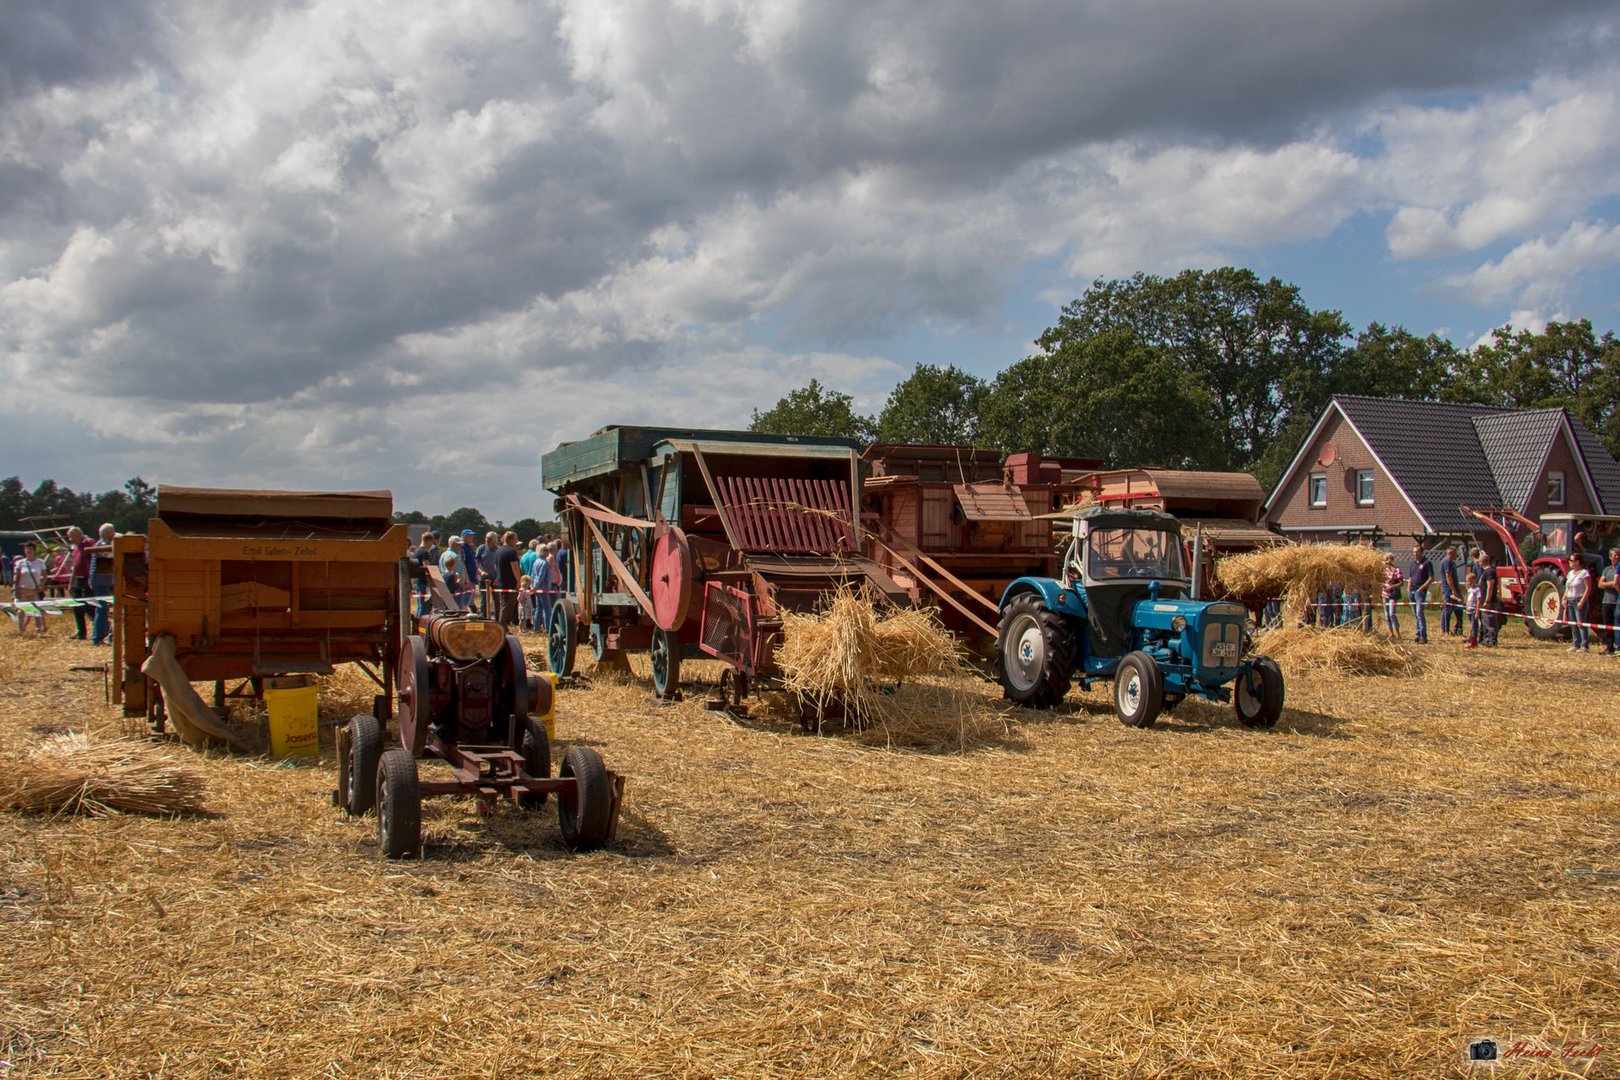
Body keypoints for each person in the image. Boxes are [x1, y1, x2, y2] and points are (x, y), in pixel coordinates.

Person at [64, 526, 96, 640]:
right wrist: (70, 583)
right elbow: (74, 567)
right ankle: (81, 632)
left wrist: (91, 579)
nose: (70, 540)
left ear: (77, 534)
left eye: (71, 537)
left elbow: (93, 561)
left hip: (87, 579)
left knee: (88, 605)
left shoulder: (89, 543)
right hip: (77, 580)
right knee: (76, 606)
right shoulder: (76, 548)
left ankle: (100, 628)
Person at [11, 540, 48, 636]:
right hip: (22, 589)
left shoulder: (40, 562)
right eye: (27, 549)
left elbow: (45, 576)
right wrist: (16, 590)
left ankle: (38, 630)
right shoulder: (20, 563)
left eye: (31, 549)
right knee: (21, 611)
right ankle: (21, 629)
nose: (29, 551)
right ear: (24, 551)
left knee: (36, 610)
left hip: (35, 590)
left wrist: (41, 586)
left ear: (34, 551)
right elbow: (17, 577)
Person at [88, 523, 116, 645]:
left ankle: (100, 635)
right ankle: (97, 638)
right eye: (112, 532)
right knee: (102, 608)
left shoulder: (103, 544)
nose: (114, 534)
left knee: (103, 609)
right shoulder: (103, 545)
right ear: (105, 533)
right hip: (101, 581)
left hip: (103, 580)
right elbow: (112, 556)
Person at [493, 531, 522, 628]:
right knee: (507, 606)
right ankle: (501, 627)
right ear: (511, 539)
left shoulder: (498, 551)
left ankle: (504, 627)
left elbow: (495, 566)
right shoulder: (511, 551)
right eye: (515, 540)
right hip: (510, 582)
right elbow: (515, 567)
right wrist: (518, 580)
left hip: (501, 581)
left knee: (504, 605)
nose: (516, 542)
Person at [1565, 558, 1593, 652]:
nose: (1569, 562)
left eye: (1571, 560)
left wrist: (1582, 601)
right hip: (1570, 601)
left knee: (1581, 623)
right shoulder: (1570, 573)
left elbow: (1588, 588)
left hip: (1578, 600)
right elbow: (1567, 587)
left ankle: (1584, 646)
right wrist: (1564, 598)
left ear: (1577, 562)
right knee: (1573, 624)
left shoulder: (1584, 573)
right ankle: (1576, 644)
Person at [1408, 542, 1433, 644]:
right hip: (1412, 591)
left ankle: (1423, 635)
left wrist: (1422, 588)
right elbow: (1410, 577)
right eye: (1414, 552)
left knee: (1419, 613)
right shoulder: (1412, 564)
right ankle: (1418, 634)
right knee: (1415, 614)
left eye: (1417, 552)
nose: (1415, 554)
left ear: (1422, 552)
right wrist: (1408, 588)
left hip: (1420, 592)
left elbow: (1431, 578)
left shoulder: (1427, 563)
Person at [1438, 545, 1462, 637]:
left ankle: (1447, 628)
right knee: (1447, 609)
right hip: (1448, 589)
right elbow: (1448, 576)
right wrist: (1453, 590)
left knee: (1451, 609)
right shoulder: (1447, 562)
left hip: (1452, 588)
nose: (1457, 555)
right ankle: (1445, 630)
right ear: (1451, 553)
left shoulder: (1452, 562)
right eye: (1456, 554)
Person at [1477, 551, 1500, 647]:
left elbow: (1490, 586)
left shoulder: (1490, 572)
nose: (1479, 563)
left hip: (1489, 602)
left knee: (1490, 622)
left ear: (1483, 562)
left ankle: (1492, 641)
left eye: (1479, 561)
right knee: (1485, 622)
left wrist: (1487, 601)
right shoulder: (1485, 572)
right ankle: (1486, 639)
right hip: (1483, 602)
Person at [1600, 548, 1620, 656]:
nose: (1616, 557)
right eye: (1614, 555)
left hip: (1617, 601)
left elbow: (1604, 584)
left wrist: (1607, 584)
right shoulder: (1606, 570)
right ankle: (1609, 647)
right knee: (1607, 626)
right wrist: (1613, 583)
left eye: (1618, 555)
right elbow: (1600, 584)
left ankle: (1618, 646)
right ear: (1610, 557)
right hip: (1607, 601)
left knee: (1617, 625)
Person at [1381, 553, 1404, 640]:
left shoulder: (1397, 570)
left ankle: (1398, 633)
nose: (1386, 561)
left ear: (1391, 559)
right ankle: (1391, 633)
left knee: (1392, 614)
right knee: (1386, 615)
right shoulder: (1383, 571)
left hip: (1393, 594)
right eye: (1385, 559)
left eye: (1387, 559)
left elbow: (1401, 583)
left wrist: (1392, 586)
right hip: (1384, 594)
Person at [1463, 570, 1482, 649]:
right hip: (1469, 610)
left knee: (1474, 626)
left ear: (1474, 580)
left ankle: (1473, 642)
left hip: (1474, 610)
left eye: (1470, 581)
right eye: (1467, 581)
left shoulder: (1477, 589)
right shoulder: (1469, 589)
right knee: (1471, 626)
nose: (1469, 583)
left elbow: (1479, 600)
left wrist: (1477, 611)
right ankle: (1471, 639)